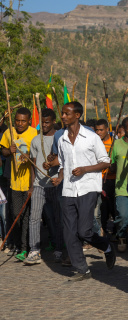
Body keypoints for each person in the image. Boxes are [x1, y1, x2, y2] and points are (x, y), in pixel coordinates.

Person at [51, 101, 116, 281]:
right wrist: (60, 178)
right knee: (69, 232)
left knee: (84, 231)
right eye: (62, 113)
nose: (63, 116)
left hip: (88, 187)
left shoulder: (91, 137)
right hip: (69, 189)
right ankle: (82, 269)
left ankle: (107, 247)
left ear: (77, 115)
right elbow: (64, 165)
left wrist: (85, 169)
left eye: (66, 113)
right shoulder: (62, 139)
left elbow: (106, 162)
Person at [24, 109, 62, 265]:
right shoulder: (35, 140)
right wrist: (32, 185)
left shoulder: (60, 138)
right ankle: (34, 250)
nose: (44, 125)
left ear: (53, 121)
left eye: (47, 122)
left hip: (55, 184)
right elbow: (33, 165)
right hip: (39, 185)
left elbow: (64, 161)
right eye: (42, 122)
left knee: (57, 218)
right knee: (34, 218)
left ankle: (59, 248)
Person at [0, 107, 37, 261]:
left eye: (23, 121)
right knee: (16, 215)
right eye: (17, 120)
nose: (20, 123)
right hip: (15, 183)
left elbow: (37, 157)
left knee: (27, 215)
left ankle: (25, 248)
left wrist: (29, 156)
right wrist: (10, 149)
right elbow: (3, 151)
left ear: (29, 120)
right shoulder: (9, 132)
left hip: (29, 182)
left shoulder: (34, 134)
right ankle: (17, 244)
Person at [110, 116, 128, 253]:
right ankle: (121, 236)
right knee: (122, 215)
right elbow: (113, 162)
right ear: (123, 129)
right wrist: (112, 167)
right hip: (121, 188)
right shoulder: (117, 144)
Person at [95, 119, 116, 237]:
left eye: (101, 130)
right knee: (101, 208)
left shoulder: (114, 143)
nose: (98, 132)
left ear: (107, 130)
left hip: (111, 179)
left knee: (112, 207)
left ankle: (116, 232)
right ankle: (101, 232)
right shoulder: (94, 143)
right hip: (98, 179)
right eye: (97, 130)